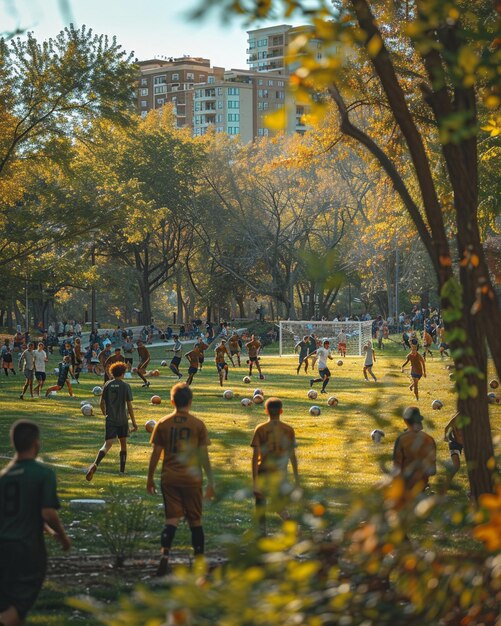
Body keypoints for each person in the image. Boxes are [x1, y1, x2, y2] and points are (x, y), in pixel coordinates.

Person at [0, 420, 71, 626]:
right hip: (27, 548)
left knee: (7, 603)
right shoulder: (43, 474)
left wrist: (49, 531)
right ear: (36, 443)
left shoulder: (3, 477)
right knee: (19, 606)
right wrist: (63, 537)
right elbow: (47, 512)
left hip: (3, 546)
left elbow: (20, 514)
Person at [146, 383, 215, 576]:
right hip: (192, 479)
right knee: (195, 520)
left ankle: (164, 557)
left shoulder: (163, 423)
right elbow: (204, 456)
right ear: (191, 402)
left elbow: (155, 454)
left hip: (170, 477)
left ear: (171, 401)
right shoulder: (198, 424)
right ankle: (200, 563)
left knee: (171, 520)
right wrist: (211, 481)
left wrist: (150, 478)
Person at [251, 397, 299, 536]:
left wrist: (255, 481)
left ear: (266, 411)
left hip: (264, 471)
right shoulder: (288, 429)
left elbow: (255, 457)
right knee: (278, 504)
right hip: (280, 472)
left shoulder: (261, 429)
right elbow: (292, 456)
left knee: (261, 504)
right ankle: (291, 525)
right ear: (281, 411)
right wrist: (296, 478)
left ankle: (261, 534)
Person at [86, 362, 137, 481]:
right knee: (123, 445)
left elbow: (101, 403)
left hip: (110, 419)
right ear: (123, 373)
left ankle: (95, 464)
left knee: (107, 444)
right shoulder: (125, 386)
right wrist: (134, 422)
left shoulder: (107, 385)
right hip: (123, 419)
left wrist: (105, 414)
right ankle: (122, 471)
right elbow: (129, 405)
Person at [393, 406, 436, 496]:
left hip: (405, 489)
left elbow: (396, 468)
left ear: (406, 421)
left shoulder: (402, 440)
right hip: (422, 487)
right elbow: (432, 470)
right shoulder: (429, 440)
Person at [443, 411, 463, 483]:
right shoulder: (458, 417)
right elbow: (446, 427)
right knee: (456, 465)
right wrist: (445, 436)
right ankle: (446, 484)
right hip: (454, 443)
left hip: (466, 442)